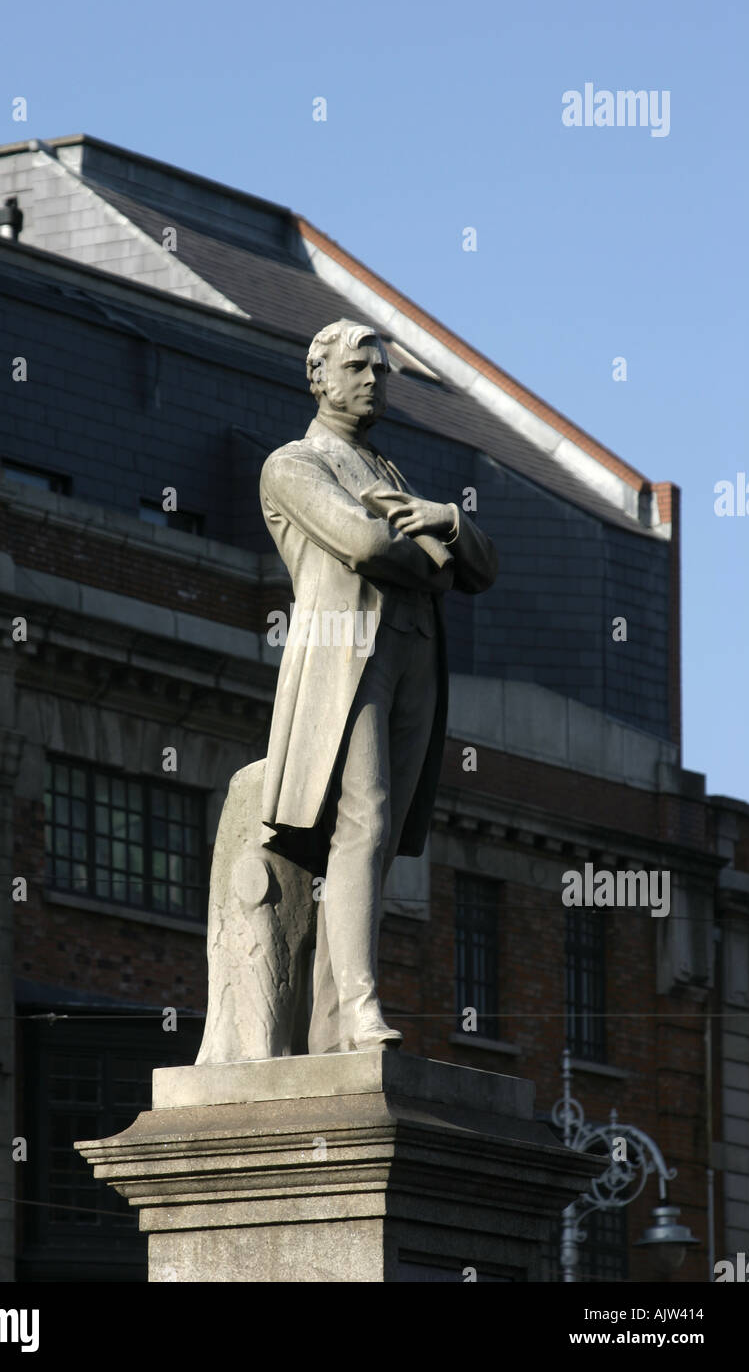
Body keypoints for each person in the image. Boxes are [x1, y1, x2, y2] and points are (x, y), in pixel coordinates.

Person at [259, 320, 498, 1053]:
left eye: (381, 370)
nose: (373, 379)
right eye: (358, 367)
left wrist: (449, 519)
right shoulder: (295, 463)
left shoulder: (391, 475)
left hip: (414, 660)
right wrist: (436, 553)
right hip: (346, 659)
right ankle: (360, 1009)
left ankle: (338, 1020)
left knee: (382, 836)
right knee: (363, 817)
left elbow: (482, 569)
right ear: (318, 376)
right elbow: (364, 543)